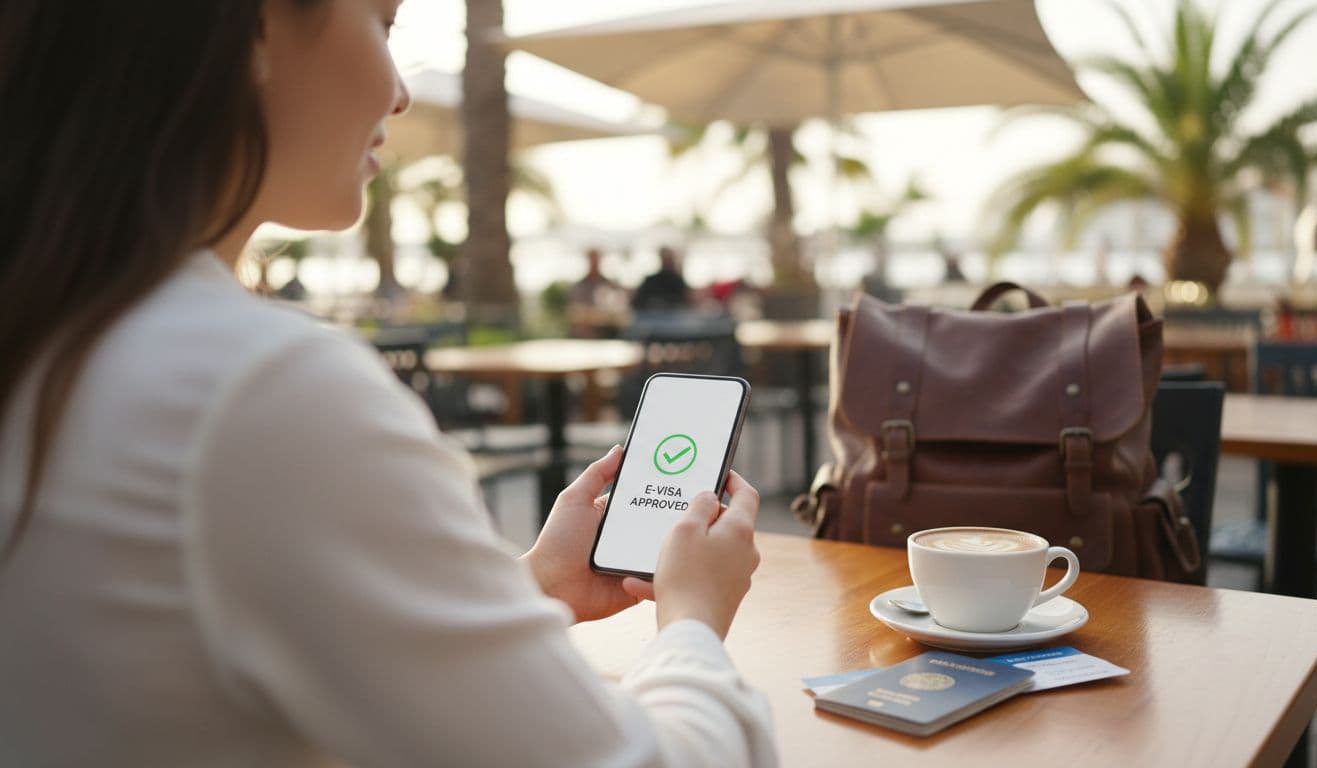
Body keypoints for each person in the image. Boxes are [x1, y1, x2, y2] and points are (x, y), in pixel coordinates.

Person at [0, 2, 775, 766]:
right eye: (384, 23)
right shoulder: (262, 390)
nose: (399, 90)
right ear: (258, 27)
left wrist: (537, 585)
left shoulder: (62, 337)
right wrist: (693, 619)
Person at [568, 247, 625, 337]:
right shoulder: (580, 285)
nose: (595, 263)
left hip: (606, 332)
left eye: (597, 259)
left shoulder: (609, 284)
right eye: (592, 260)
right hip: (585, 333)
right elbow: (575, 312)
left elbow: (619, 308)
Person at [632, 245, 691, 311]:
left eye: (669, 258)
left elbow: (687, 302)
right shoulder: (651, 281)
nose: (668, 261)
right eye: (665, 258)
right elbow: (638, 302)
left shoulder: (678, 281)